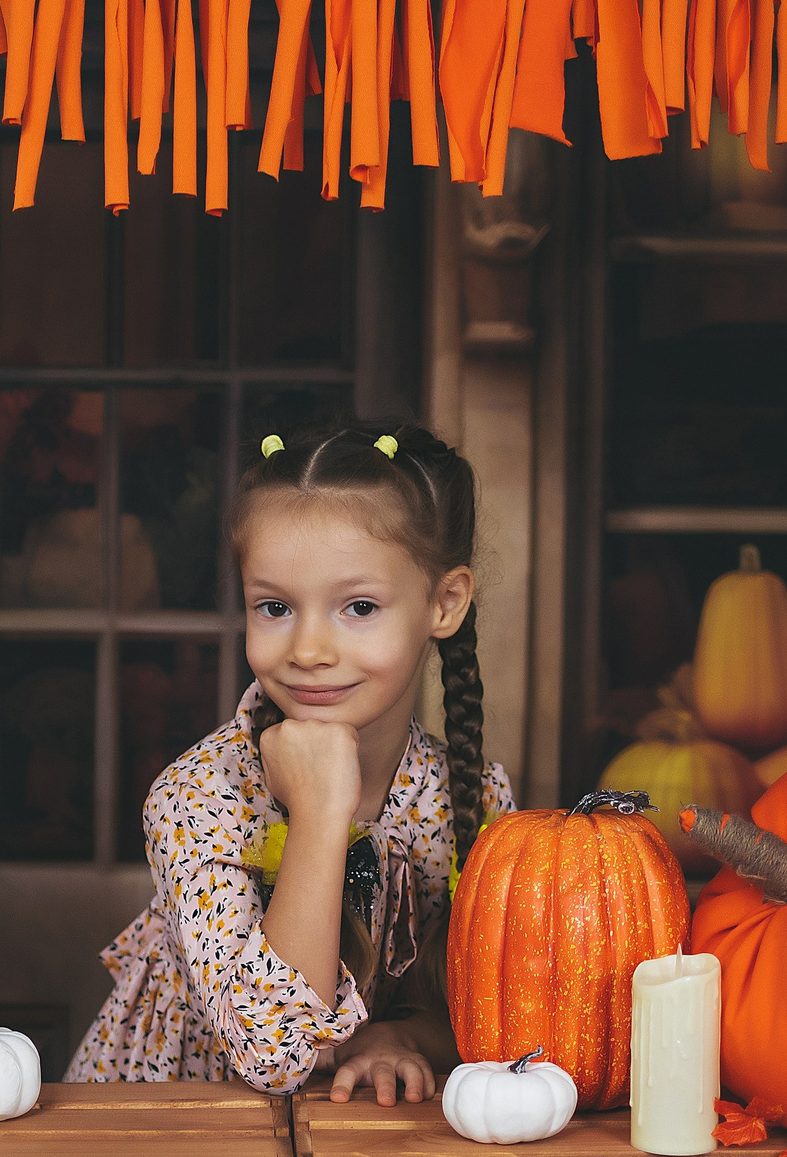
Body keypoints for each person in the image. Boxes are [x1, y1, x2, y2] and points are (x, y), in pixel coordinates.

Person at [67, 421, 513, 1104]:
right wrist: (321, 812)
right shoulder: (197, 797)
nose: (308, 648)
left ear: (445, 602)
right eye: (274, 606)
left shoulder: (471, 799)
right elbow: (272, 1057)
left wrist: (408, 1036)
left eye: (358, 607)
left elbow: (506, 1013)